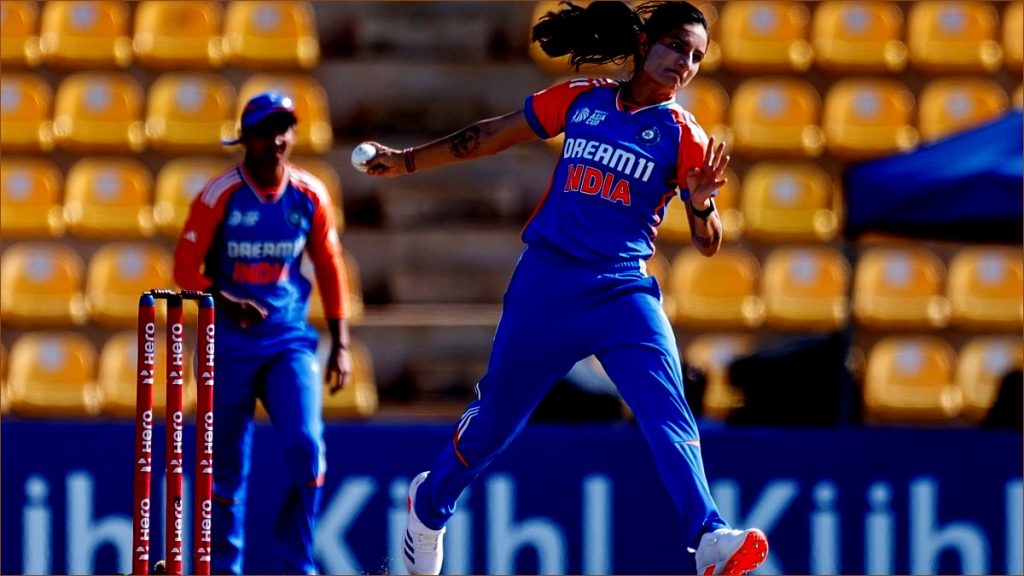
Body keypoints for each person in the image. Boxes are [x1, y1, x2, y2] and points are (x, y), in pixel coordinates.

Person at [357, 2, 769, 574]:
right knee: (495, 425)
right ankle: (428, 507)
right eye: (676, 45)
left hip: (623, 292)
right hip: (547, 283)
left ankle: (709, 536)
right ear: (644, 42)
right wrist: (404, 162)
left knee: (666, 410)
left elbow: (708, 242)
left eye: (696, 56)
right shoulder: (583, 98)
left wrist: (700, 205)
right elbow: (490, 136)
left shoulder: (685, 138)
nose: (685, 63)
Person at [173, 91, 352, 574]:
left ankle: (296, 565)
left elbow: (330, 265)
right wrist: (227, 301)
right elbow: (184, 269)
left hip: (287, 341)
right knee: (224, 469)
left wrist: (341, 343)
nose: (276, 140)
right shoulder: (220, 194)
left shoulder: (309, 194)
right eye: (265, 131)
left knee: (306, 448)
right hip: (227, 345)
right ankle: (223, 568)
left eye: (284, 129)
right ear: (246, 138)